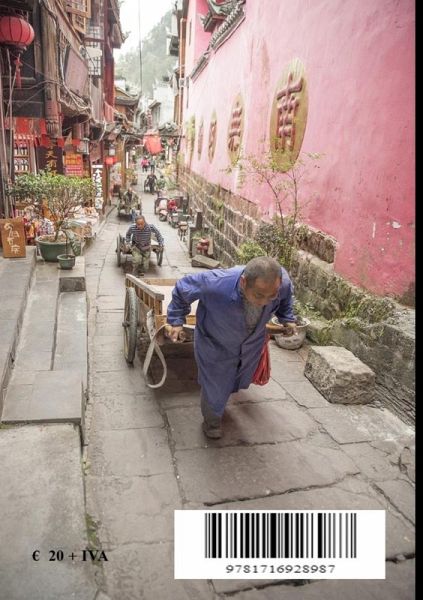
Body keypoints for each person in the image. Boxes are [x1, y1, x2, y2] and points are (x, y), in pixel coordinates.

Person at [166, 257, 297, 439]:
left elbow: (285, 299)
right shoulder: (216, 283)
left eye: (271, 296)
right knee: (215, 385)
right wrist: (176, 320)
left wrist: (287, 318)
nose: (265, 302)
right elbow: (182, 288)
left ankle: (222, 397)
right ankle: (212, 422)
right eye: (259, 295)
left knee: (235, 378)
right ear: (243, 282)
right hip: (216, 343)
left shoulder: (281, 283)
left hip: (250, 345)